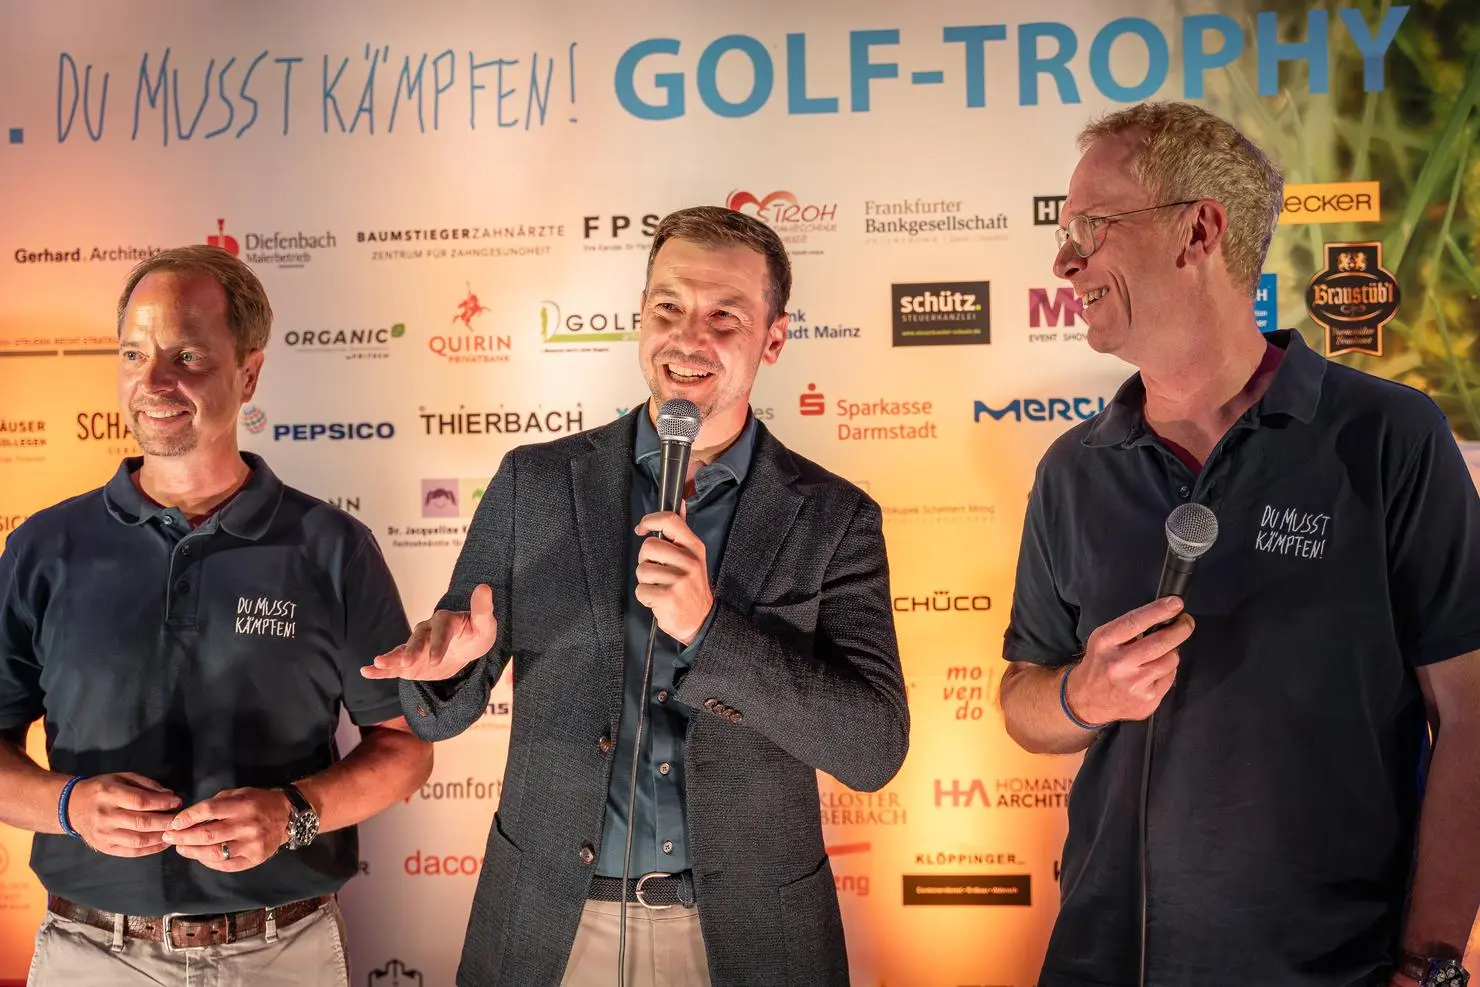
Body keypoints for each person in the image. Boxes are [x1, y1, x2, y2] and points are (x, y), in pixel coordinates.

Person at [999, 101, 1480, 987]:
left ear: (1198, 231)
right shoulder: (1074, 467)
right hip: (1101, 963)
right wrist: (1084, 693)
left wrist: (1429, 962)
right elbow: (1024, 702)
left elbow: (1470, 713)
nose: (1064, 260)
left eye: (1091, 227)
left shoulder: (1387, 435)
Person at [364, 205, 909, 987]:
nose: (689, 337)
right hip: (551, 924)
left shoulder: (833, 517)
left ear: (775, 337)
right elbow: (437, 711)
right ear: (639, 318)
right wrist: (447, 667)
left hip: (750, 938)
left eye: (725, 314)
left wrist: (712, 630)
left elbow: (872, 747)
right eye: (669, 308)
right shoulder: (536, 483)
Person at [0, 245, 434, 986]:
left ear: (250, 372)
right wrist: (69, 804)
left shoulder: (330, 547)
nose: (154, 380)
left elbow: (405, 749)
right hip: (89, 955)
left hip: (281, 953)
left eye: (187, 354)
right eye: (134, 352)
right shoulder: (44, 546)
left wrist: (292, 813)